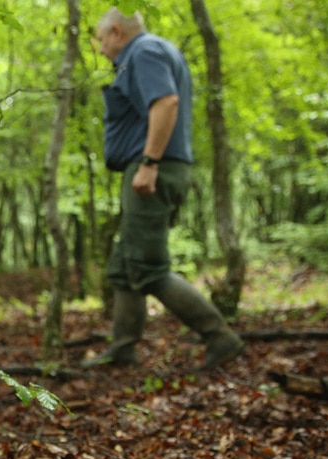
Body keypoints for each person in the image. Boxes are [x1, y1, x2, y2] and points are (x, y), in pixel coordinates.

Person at [82, 7, 244, 371]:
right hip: (151, 168)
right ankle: (123, 347)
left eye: (103, 39)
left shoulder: (144, 51)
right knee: (125, 266)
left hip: (152, 170)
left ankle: (220, 337)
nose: (102, 49)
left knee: (148, 268)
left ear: (117, 31)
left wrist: (150, 163)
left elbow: (166, 102)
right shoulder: (155, 50)